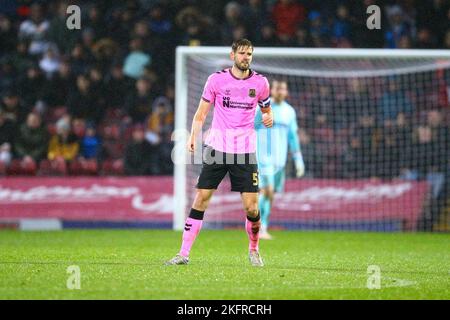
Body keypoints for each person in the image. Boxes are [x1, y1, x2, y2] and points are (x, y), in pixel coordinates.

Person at [165, 39, 273, 267]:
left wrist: (268, 117)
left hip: (245, 151)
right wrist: (193, 136)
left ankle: (254, 249)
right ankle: (183, 253)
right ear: (232, 55)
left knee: (252, 207)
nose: (246, 57)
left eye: (250, 54)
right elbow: (200, 114)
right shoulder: (216, 80)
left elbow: (266, 110)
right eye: (242, 53)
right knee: (201, 198)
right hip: (217, 150)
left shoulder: (261, 83)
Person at [255, 80, 304, 239]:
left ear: (286, 91)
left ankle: (264, 226)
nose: (280, 91)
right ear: (271, 90)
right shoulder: (260, 109)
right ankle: (259, 227)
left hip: (280, 160)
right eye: (277, 88)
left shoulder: (289, 111)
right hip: (262, 157)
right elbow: (249, 128)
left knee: (271, 194)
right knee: (267, 190)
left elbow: (293, 136)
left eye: (283, 88)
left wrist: (298, 158)